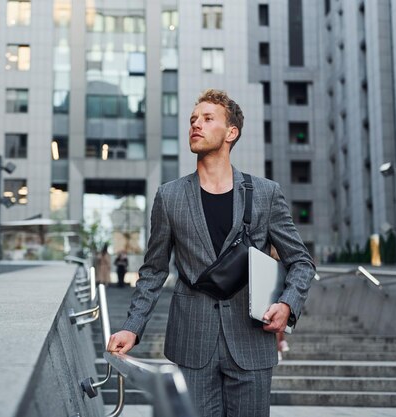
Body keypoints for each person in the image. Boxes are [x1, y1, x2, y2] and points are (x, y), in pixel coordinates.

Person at [107, 89, 315, 417]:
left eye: (207, 119)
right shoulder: (169, 196)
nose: (196, 125)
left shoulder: (265, 193)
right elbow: (154, 270)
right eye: (193, 120)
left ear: (231, 133)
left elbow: (301, 261)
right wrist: (132, 326)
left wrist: (288, 303)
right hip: (191, 343)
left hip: (251, 342)